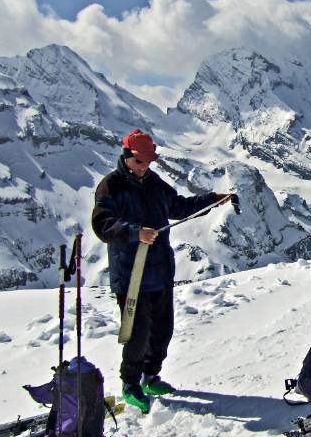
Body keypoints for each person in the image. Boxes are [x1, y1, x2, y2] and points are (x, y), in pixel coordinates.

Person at [92, 129, 237, 413]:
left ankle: (151, 376)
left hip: (159, 271)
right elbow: (103, 224)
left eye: (147, 162)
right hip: (132, 275)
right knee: (137, 333)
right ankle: (130, 384)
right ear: (126, 157)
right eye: (139, 162)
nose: (144, 167)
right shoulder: (111, 186)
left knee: (162, 330)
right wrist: (136, 233)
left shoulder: (154, 183)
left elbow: (179, 205)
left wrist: (213, 199)